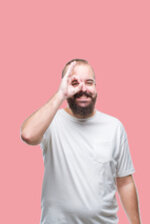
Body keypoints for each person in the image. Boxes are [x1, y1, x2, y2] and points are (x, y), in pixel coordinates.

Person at [20, 59, 142, 224]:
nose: (82, 89)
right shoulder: (51, 121)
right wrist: (60, 94)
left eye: (89, 82)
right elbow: (28, 135)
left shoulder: (114, 127)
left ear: (96, 87)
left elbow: (125, 181)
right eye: (74, 83)